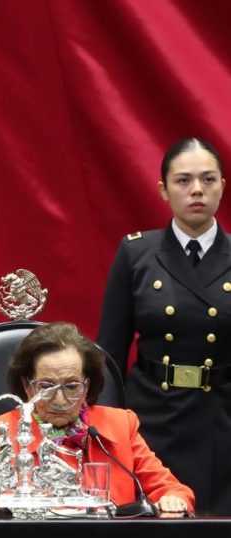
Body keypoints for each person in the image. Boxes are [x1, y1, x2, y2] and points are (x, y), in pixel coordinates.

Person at [98, 137, 231, 515]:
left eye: (208, 180)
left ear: (222, 185)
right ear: (163, 190)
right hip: (154, 416)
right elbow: (110, 352)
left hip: (223, 417)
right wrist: (112, 430)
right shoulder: (136, 253)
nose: (196, 191)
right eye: (183, 180)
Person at [0, 322, 195, 517]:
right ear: (27, 387)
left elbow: (171, 490)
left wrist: (173, 500)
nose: (60, 400)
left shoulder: (121, 425)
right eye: (46, 387)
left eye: (71, 386)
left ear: (86, 386)